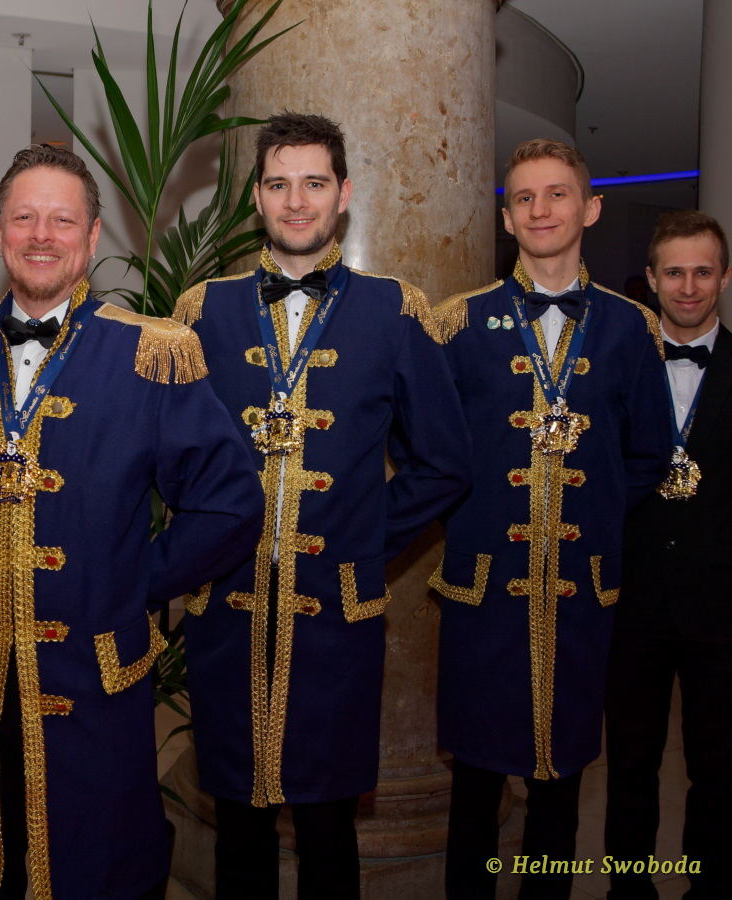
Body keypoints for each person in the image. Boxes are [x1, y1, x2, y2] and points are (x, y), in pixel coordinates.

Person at [0, 144, 263, 900]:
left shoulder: (154, 352)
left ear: (93, 235)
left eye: (63, 220)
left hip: (95, 680)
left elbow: (230, 503)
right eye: (24, 218)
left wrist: (134, 579)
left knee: (97, 868)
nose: (42, 235)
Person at [172, 112, 471, 899]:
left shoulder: (396, 310)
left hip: (337, 617)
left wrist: (362, 542)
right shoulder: (201, 312)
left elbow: (445, 463)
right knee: (238, 831)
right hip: (226, 612)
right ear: (257, 198)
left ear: (344, 194)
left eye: (313, 183)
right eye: (278, 184)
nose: (296, 201)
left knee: (328, 832)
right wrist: (197, 546)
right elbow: (170, 458)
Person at [432, 138, 672, 900]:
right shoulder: (457, 323)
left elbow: (649, 453)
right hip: (482, 590)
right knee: (474, 790)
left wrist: (589, 509)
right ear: (507, 218)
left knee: (560, 787)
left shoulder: (633, 328)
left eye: (557, 194)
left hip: (580, 594)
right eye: (524, 198)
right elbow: (427, 449)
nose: (541, 210)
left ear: (590, 208)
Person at [605, 210, 732, 900]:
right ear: (651, 279)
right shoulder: (612, 371)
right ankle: (628, 889)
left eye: (702, 272)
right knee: (629, 766)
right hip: (631, 602)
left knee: (719, 770)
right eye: (674, 272)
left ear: (724, 278)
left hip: (722, 609)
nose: (688, 287)